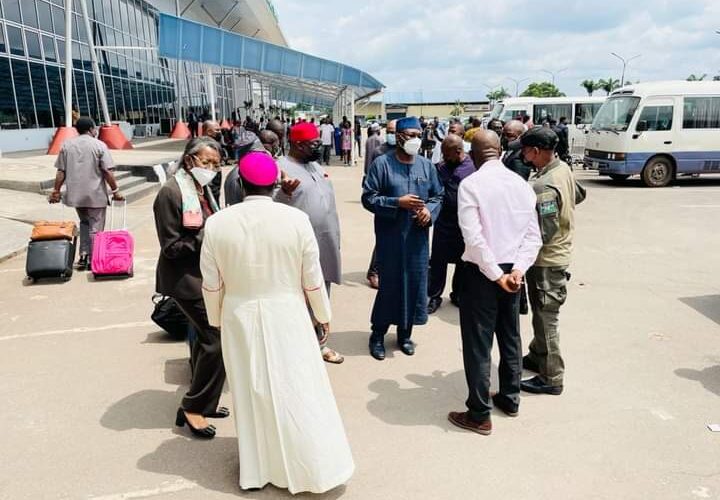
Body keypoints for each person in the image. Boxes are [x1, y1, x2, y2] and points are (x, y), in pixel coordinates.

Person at [200, 152, 354, 494]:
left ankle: (257, 469)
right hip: (288, 312)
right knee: (297, 386)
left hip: (238, 315)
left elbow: (211, 283)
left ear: (239, 184)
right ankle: (309, 464)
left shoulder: (217, 223)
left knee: (250, 389)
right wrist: (323, 316)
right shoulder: (295, 219)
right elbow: (312, 278)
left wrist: (216, 318)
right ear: (275, 184)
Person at [447, 130, 541, 435]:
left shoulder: (471, 184)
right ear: (500, 152)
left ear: (473, 155)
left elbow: (473, 238)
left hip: (482, 273)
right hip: (512, 271)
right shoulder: (521, 185)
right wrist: (517, 271)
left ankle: (478, 414)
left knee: (478, 344)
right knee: (510, 335)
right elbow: (533, 237)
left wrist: (496, 275)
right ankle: (510, 398)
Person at [153, 137, 227, 439]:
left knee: (201, 340)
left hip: (206, 277)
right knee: (217, 340)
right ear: (189, 162)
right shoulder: (170, 193)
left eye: (215, 164)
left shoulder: (202, 188)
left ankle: (205, 401)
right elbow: (171, 247)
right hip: (185, 280)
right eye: (206, 162)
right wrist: (209, 233)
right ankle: (192, 406)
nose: (211, 169)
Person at [361, 116, 444, 360]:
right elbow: (369, 197)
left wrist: (429, 211)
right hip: (391, 238)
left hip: (417, 240)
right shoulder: (381, 164)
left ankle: (405, 334)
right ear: (398, 136)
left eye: (419, 135)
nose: (416, 140)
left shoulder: (426, 166)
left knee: (415, 286)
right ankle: (377, 335)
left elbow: (438, 195)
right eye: (411, 135)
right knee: (390, 286)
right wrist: (397, 202)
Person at [520, 127, 584, 396]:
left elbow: (545, 230)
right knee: (540, 312)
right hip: (557, 255)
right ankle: (537, 355)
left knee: (547, 318)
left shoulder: (543, 184)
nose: (522, 154)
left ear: (535, 151)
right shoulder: (562, 170)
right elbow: (580, 195)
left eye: (524, 150)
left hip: (547, 260)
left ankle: (552, 377)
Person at [275, 122, 344, 364]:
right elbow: (269, 205)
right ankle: (297, 349)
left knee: (321, 296)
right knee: (297, 298)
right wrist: (283, 191)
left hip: (325, 244)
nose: (319, 147)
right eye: (314, 144)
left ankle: (320, 344)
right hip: (298, 250)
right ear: (298, 144)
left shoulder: (313, 164)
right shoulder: (280, 168)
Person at [49, 117, 124, 270]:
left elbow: (60, 172)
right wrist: (115, 191)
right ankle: (94, 258)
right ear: (91, 129)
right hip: (95, 195)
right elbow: (107, 172)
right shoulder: (99, 145)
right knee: (96, 227)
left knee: (84, 223)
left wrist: (56, 191)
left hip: (76, 196)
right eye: (95, 128)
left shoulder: (67, 145)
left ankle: (83, 255)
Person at [427, 134, 476, 314]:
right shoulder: (440, 167)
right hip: (443, 223)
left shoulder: (472, 168)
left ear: (458, 151)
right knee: (438, 261)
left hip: (464, 224)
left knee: (463, 262)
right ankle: (433, 296)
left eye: (447, 154)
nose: (444, 158)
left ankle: (458, 294)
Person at [365, 119, 397, 290]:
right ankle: (374, 271)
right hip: (384, 201)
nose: (392, 134)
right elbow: (371, 175)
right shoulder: (380, 151)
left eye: (395, 131)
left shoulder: (406, 152)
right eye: (390, 131)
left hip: (401, 201)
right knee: (383, 238)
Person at [202, 120, 224, 201]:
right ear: (209, 132)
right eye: (217, 130)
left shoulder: (198, 143)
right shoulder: (210, 146)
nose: (220, 132)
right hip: (211, 186)